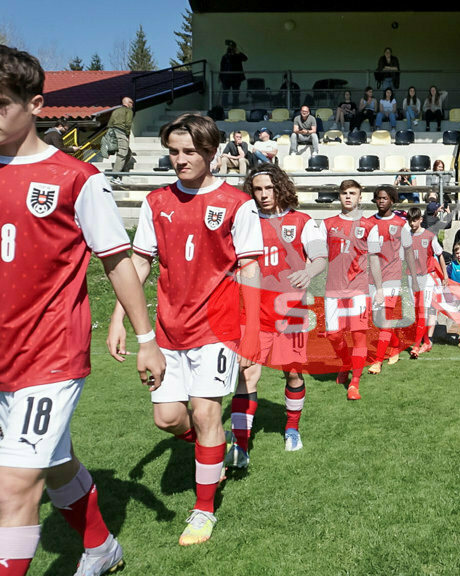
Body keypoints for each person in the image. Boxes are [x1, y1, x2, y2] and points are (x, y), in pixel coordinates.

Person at [0, 45, 164, 576]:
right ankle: (101, 547)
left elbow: (117, 261)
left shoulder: (77, 179)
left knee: (15, 482)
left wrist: (145, 338)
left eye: (1, 103)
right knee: (52, 463)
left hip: (48, 352)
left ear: (37, 104)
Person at [109, 113, 264, 547]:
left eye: (188, 152)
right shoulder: (156, 202)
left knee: (206, 410)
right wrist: (120, 316)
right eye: (173, 152)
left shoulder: (238, 203)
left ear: (211, 152)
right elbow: (139, 262)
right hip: (166, 331)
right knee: (169, 418)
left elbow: (250, 267)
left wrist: (251, 330)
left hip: (217, 329)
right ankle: (213, 450)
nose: (179, 160)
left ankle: (203, 511)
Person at [225, 163, 327, 469]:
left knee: (293, 373)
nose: (263, 194)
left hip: (290, 311)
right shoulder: (245, 222)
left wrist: (308, 270)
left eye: (269, 188)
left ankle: (292, 428)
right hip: (252, 312)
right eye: (257, 189)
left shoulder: (302, 221)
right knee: (247, 373)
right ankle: (241, 447)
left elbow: (321, 255)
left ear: (281, 187)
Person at [322, 180, 371, 400]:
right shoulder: (327, 224)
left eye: (352, 193)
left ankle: (355, 383)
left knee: (359, 335)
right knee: (333, 335)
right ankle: (346, 361)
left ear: (360, 197)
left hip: (359, 288)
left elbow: (377, 258)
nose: (348, 197)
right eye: (344, 193)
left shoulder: (369, 226)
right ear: (339, 196)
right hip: (333, 288)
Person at [365, 185, 418, 374]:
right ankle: (396, 344)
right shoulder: (368, 222)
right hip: (372, 278)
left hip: (392, 277)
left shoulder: (401, 224)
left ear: (392, 200)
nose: (381, 201)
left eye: (385, 198)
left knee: (384, 320)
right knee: (377, 320)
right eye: (378, 198)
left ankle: (377, 362)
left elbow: (409, 251)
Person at [407, 207, 447, 356]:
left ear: (421, 219)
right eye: (410, 220)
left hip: (427, 277)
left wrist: (444, 276)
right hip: (411, 277)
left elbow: (440, 255)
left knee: (423, 310)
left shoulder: (430, 236)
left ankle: (416, 346)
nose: (412, 223)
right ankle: (427, 342)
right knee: (418, 312)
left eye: (415, 220)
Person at [105, 96, 134, 182]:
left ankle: (120, 170)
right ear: (127, 103)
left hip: (112, 132)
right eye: (131, 103)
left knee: (128, 153)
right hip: (121, 133)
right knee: (122, 154)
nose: (132, 105)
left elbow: (109, 124)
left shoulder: (115, 111)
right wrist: (127, 135)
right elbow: (128, 124)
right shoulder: (128, 111)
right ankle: (115, 176)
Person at [219, 39, 247, 108]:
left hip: (236, 78)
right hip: (226, 78)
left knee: (235, 94)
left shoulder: (238, 56)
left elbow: (245, 58)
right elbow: (222, 67)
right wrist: (220, 77)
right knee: (225, 94)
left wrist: (238, 52)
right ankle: (224, 107)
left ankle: (235, 108)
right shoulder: (225, 57)